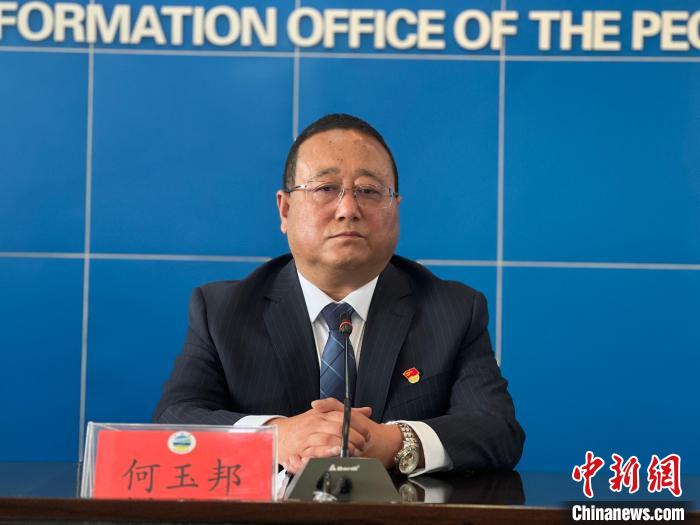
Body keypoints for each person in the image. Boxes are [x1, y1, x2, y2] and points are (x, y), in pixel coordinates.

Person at [153, 113, 524, 476]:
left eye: (369, 191)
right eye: (325, 189)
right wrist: (275, 436)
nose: (348, 209)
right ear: (285, 209)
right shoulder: (222, 311)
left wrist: (395, 442)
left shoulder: (453, 311)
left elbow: (497, 430)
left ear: (395, 209)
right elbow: (172, 421)